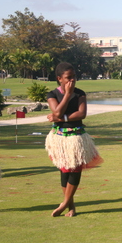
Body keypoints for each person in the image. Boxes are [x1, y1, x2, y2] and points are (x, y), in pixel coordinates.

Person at [45, 62, 104, 217]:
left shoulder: (80, 94)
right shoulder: (52, 94)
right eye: (68, 78)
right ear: (59, 79)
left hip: (76, 137)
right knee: (64, 170)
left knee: (75, 169)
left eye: (74, 77)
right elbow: (56, 111)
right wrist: (67, 95)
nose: (72, 81)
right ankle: (71, 206)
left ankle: (64, 203)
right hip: (59, 138)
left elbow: (81, 114)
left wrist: (60, 118)